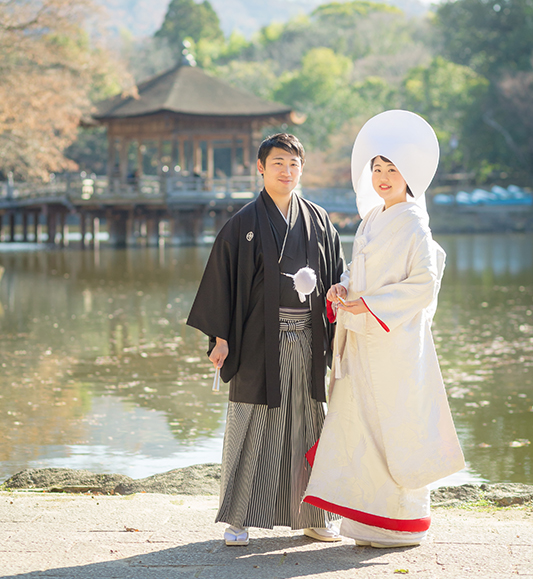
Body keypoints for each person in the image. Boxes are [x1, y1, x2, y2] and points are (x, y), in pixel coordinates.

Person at [303, 110, 465, 548]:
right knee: (361, 424)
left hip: (395, 342)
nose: (383, 178)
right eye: (376, 169)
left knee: (395, 425)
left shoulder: (414, 222)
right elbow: (361, 272)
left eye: (392, 169)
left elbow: (424, 283)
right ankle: (367, 523)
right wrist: (344, 287)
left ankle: (401, 522)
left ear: (408, 175)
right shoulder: (371, 218)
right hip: (363, 338)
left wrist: (372, 304)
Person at [187, 133, 345, 546]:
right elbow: (222, 285)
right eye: (278, 163)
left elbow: (337, 276)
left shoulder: (318, 220)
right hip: (258, 341)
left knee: (310, 423)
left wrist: (339, 300)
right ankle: (238, 519)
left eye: (293, 164)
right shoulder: (242, 224)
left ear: (302, 169)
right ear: (260, 167)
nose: (286, 171)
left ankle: (316, 515)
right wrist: (220, 339)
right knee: (249, 424)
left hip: (308, 339)